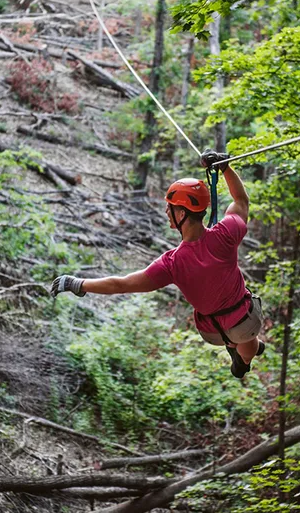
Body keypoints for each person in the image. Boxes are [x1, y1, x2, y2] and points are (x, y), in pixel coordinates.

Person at [51, 150, 265, 378]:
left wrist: (79, 284)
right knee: (247, 339)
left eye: (170, 207)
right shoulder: (226, 233)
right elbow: (241, 201)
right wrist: (225, 168)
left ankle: (236, 349)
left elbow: (121, 285)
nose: (166, 211)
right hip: (245, 321)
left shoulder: (172, 264)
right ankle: (243, 356)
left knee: (240, 336)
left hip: (211, 331)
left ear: (182, 213)